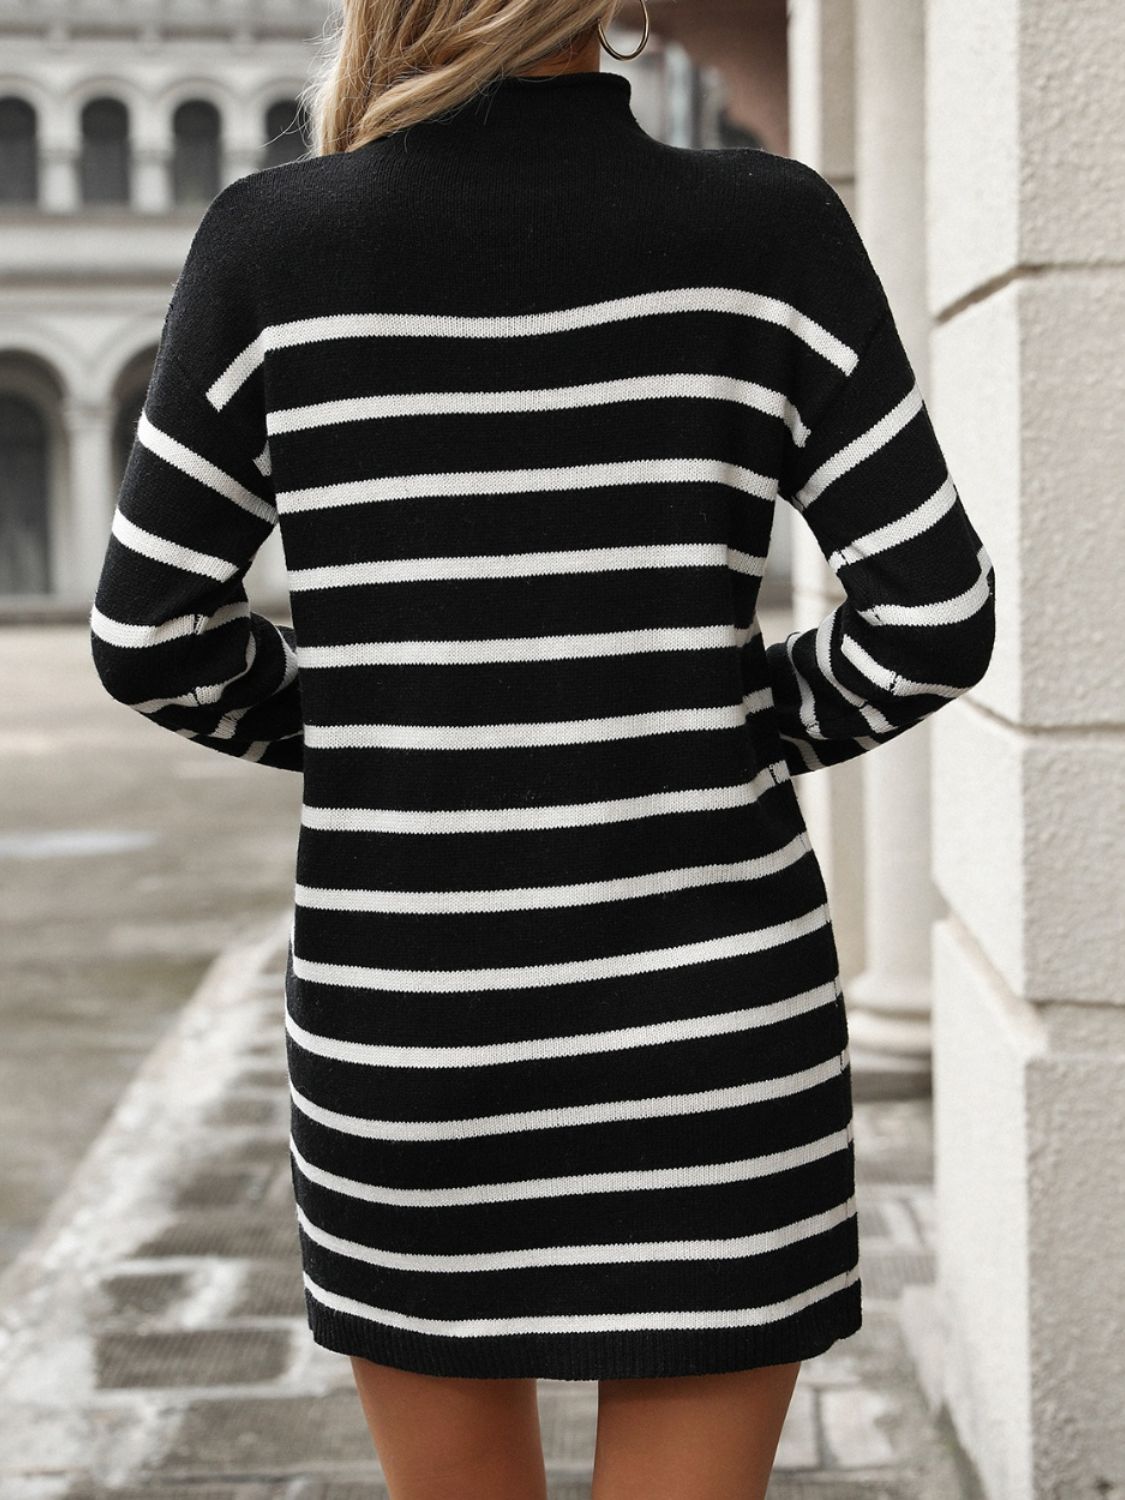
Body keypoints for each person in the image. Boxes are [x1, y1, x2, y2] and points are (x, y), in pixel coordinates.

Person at [88, 1, 997, 1495]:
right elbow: (934, 617)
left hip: (411, 1035)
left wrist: (399, 733)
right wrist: (720, 725)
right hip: (713, 1035)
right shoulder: (769, 229)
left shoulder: (271, 245)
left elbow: (150, 637)